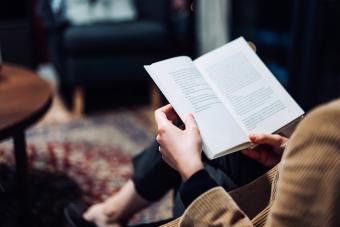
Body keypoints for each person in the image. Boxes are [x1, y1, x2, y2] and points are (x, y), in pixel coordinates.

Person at [155, 99, 340, 226]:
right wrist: (293, 153)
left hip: (235, 215)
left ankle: (126, 203)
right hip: (258, 200)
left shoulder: (327, 124)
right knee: (199, 128)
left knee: (190, 128)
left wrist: (192, 172)